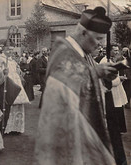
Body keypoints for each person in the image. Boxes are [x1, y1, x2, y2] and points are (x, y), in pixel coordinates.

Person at [35, 7, 118, 165]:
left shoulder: (82, 52)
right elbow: (61, 85)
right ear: (84, 33)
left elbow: (83, 76)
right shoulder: (63, 50)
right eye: (98, 39)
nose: (100, 44)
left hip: (77, 124)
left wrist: (102, 75)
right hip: (63, 127)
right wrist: (94, 73)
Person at [0, 42, 29, 134]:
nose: (11, 51)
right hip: (6, 85)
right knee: (7, 105)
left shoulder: (12, 60)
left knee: (17, 106)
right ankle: (6, 128)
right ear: (3, 49)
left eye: (12, 49)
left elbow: (17, 71)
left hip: (16, 84)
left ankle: (16, 128)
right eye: (9, 49)